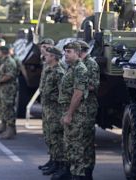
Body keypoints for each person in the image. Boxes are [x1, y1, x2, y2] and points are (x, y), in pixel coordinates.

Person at [52, 42, 88, 180]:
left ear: (77, 53)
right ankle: (70, 173)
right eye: (65, 51)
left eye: (69, 51)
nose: (65, 54)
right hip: (68, 111)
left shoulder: (80, 69)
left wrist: (69, 114)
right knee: (69, 144)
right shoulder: (71, 68)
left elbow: (78, 93)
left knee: (76, 146)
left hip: (76, 114)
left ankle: (77, 175)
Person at [39, 47, 65, 176]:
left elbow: (63, 94)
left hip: (56, 110)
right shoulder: (50, 70)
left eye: (48, 55)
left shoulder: (59, 72)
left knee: (57, 138)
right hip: (48, 109)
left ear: (54, 57)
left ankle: (60, 165)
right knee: (50, 137)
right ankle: (53, 161)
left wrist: (51, 97)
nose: (45, 57)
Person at [77, 40, 100, 179]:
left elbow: (93, 85)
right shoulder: (80, 64)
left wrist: (78, 89)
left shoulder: (91, 64)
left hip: (88, 106)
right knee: (80, 140)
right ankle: (81, 169)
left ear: (81, 51)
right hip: (81, 106)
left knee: (87, 141)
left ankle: (88, 171)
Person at [37, 38, 56, 171]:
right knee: (48, 134)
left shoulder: (55, 64)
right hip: (46, 105)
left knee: (55, 135)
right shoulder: (45, 62)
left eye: (47, 46)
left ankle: (57, 162)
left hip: (54, 107)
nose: (44, 48)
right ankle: (52, 159)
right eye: (42, 46)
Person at [0, 46, 18, 139]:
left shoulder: (9, 62)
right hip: (3, 89)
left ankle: (10, 129)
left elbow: (10, 75)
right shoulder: (3, 61)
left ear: (3, 52)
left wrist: (0, 81)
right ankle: (4, 126)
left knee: (8, 108)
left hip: (8, 89)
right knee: (2, 107)